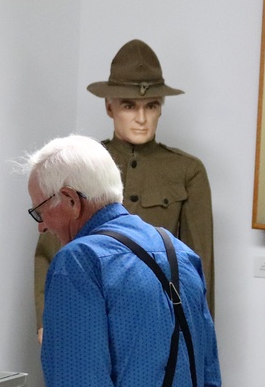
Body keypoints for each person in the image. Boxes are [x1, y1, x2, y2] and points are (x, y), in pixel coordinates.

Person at [23, 134, 221, 387]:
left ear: (72, 199)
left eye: (40, 210)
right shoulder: (177, 250)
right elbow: (210, 378)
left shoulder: (78, 262)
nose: (42, 224)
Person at [33, 39, 214, 340]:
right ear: (109, 106)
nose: (141, 118)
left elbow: (198, 264)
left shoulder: (187, 172)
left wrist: (197, 336)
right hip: (85, 316)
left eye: (151, 106)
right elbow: (49, 251)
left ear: (161, 108)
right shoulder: (79, 165)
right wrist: (45, 320)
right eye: (129, 106)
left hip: (156, 327)